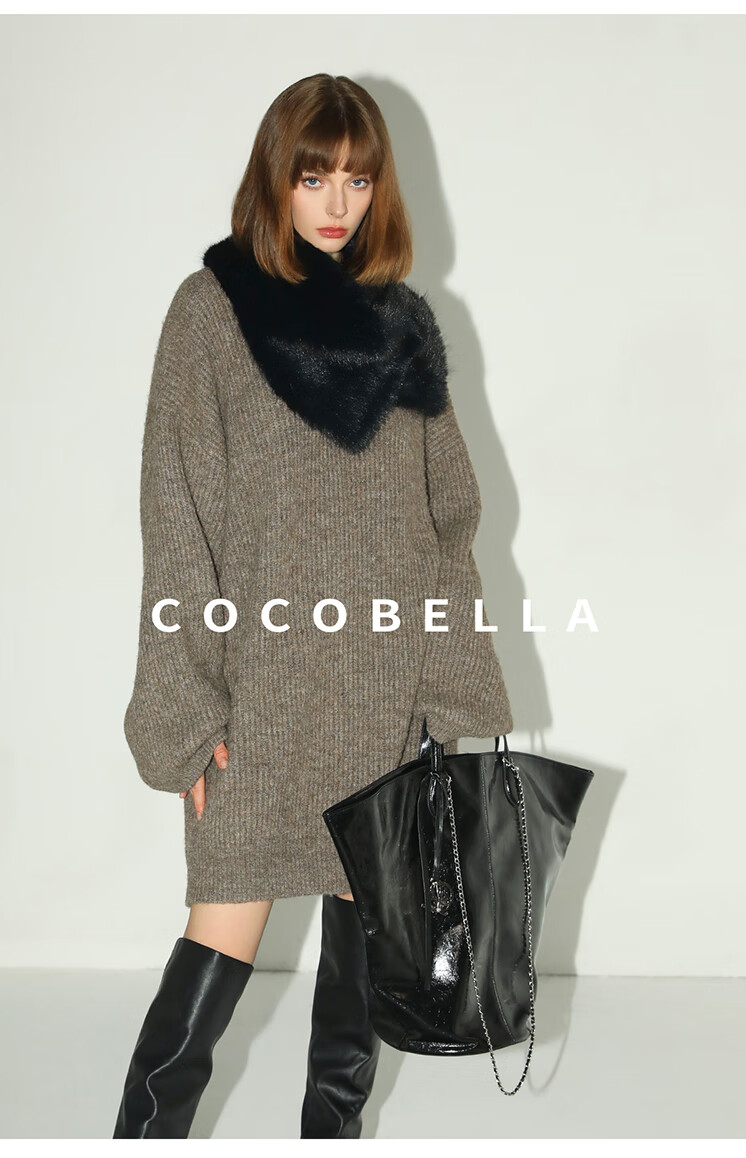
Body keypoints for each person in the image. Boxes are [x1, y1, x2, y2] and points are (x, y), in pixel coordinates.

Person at [113, 73, 513, 1140]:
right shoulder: (210, 313)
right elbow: (174, 518)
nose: (337, 202)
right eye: (314, 176)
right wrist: (185, 710)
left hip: (381, 692)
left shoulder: (404, 324)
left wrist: (446, 692)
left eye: (358, 180)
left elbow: (449, 524)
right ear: (275, 179)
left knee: (360, 951)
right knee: (220, 937)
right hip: (259, 702)